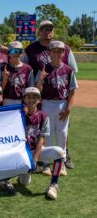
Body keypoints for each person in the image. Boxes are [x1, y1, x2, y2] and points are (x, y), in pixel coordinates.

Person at [24, 20, 78, 170]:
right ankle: (45, 160)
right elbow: (25, 69)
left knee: (62, 130)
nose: (47, 32)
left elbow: (72, 75)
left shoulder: (65, 49)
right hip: (41, 97)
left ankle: (63, 158)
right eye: (44, 29)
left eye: (50, 29)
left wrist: (69, 105)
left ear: (53, 32)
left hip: (61, 98)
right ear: (39, 32)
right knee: (45, 130)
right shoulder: (31, 49)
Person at [35, 41, 78, 176]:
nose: (57, 53)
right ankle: (47, 164)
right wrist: (41, 79)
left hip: (62, 104)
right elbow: (37, 91)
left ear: (63, 53)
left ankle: (61, 163)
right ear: (50, 53)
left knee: (62, 133)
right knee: (48, 134)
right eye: (54, 51)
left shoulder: (68, 70)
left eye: (59, 51)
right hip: (47, 103)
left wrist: (69, 108)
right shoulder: (44, 69)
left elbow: (72, 91)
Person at [19, 87, 65, 200]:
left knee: (59, 152)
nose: (31, 99)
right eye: (28, 97)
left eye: (34, 97)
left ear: (39, 100)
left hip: (36, 150)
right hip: (22, 153)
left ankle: (53, 185)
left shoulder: (43, 116)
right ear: (24, 99)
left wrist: (35, 159)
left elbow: (41, 139)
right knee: (24, 183)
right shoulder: (17, 114)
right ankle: (18, 175)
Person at [0, 41, 34, 105]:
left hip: (22, 101)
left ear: (22, 53)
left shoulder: (28, 69)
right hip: (6, 101)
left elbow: (31, 88)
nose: (16, 53)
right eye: (13, 51)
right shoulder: (3, 68)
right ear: (8, 53)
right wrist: (4, 80)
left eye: (19, 51)